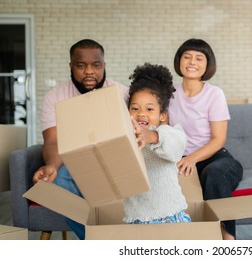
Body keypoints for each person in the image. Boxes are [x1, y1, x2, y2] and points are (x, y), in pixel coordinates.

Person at [32, 39, 129, 239]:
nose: (89, 72)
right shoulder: (55, 97)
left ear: (104, 65)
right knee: (57, 177)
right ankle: (100, 242)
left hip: (113, 159)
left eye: (96, 65)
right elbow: (52, 142)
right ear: (71, 66)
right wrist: (51, 165)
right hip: (74, 162)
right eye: (81, 65)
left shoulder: (122, 93)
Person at [168, 38, 243, 240]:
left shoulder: (214, 94)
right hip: (181, 160)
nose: (192, 62)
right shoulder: (169, 93)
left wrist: (192, 158)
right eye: (187, 57)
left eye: (199, 58)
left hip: (215, 158)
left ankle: (227, 240)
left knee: (213, 173)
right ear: (179, 61)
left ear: (207, 65)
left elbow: (218, 140)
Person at [123, 62, 190, 225]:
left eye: (149, 109)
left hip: (170, 218)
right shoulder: (126, 140)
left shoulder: (169, 133)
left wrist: (151, 136)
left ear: (162, 115)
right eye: (135, 108)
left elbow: (176, 146)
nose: (141, 114)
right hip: (136, 219)